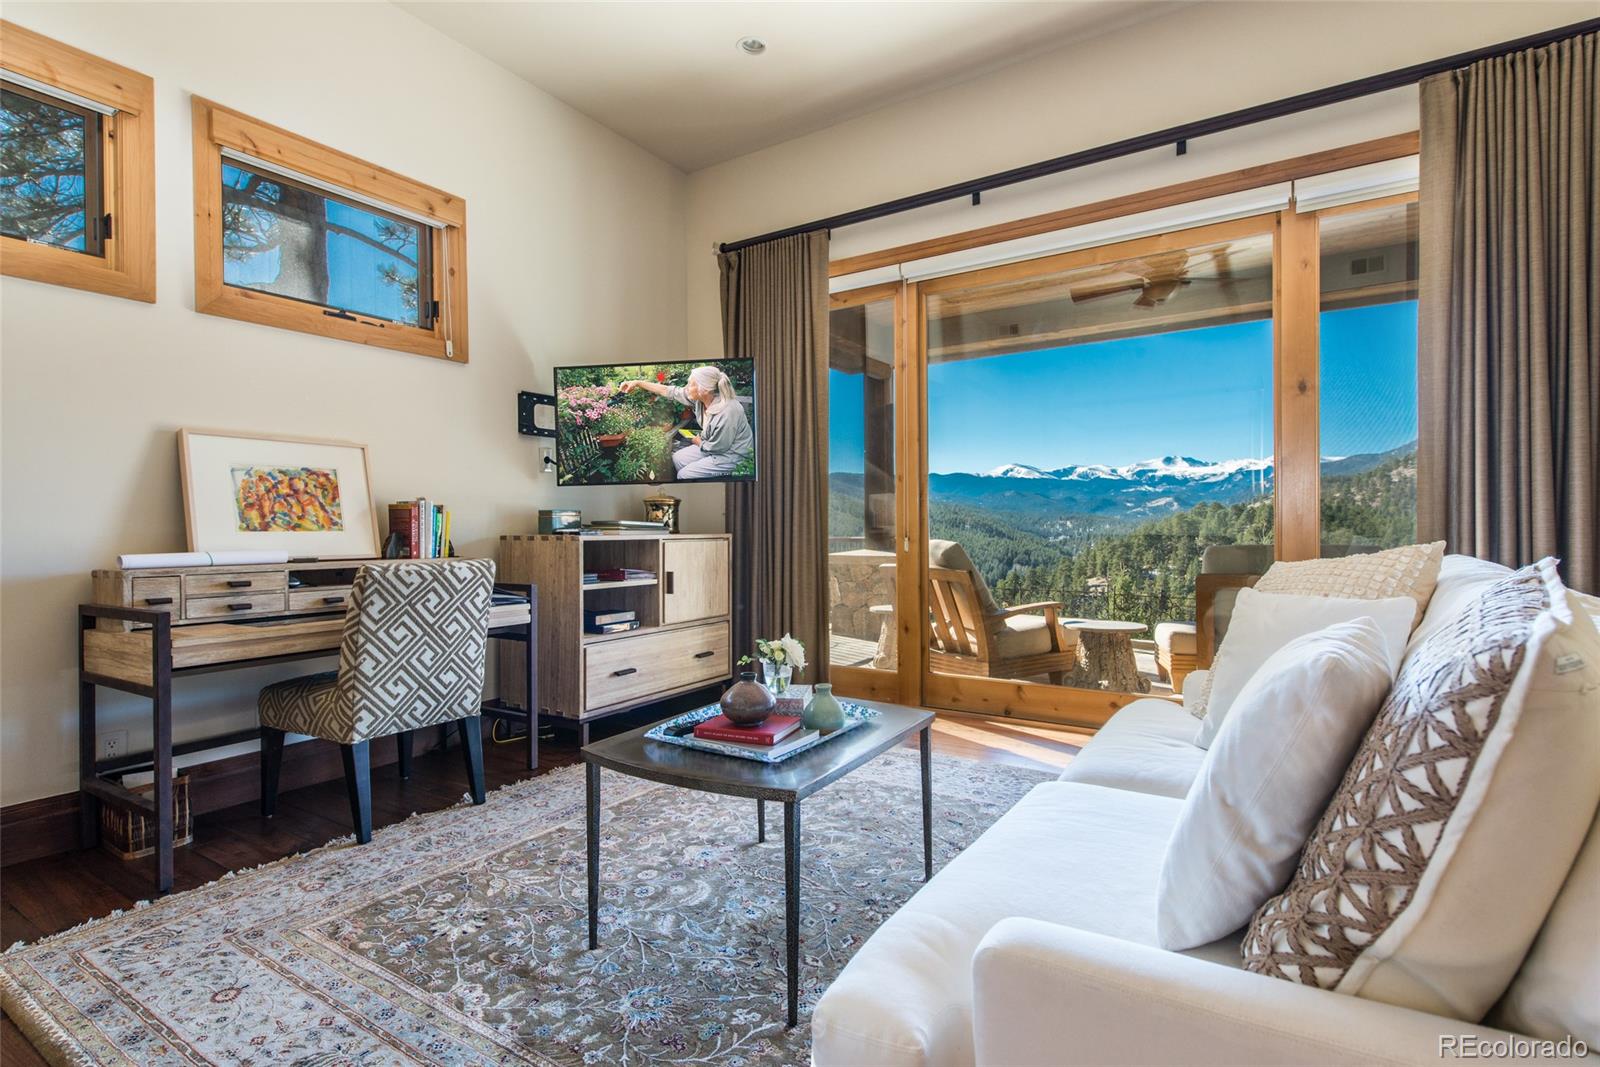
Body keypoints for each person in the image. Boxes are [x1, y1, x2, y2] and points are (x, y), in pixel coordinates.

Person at [618, 365, 754, 479]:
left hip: (732, 454)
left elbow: (720, 447)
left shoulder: (727, 411)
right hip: (711, 444)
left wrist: (698, 442)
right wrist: (637, 382)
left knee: (684, 474)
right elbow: (668, 390)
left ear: (704, 389)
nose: (686, 387)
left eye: (691, 384)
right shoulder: (701, 399)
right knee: (677, 458)